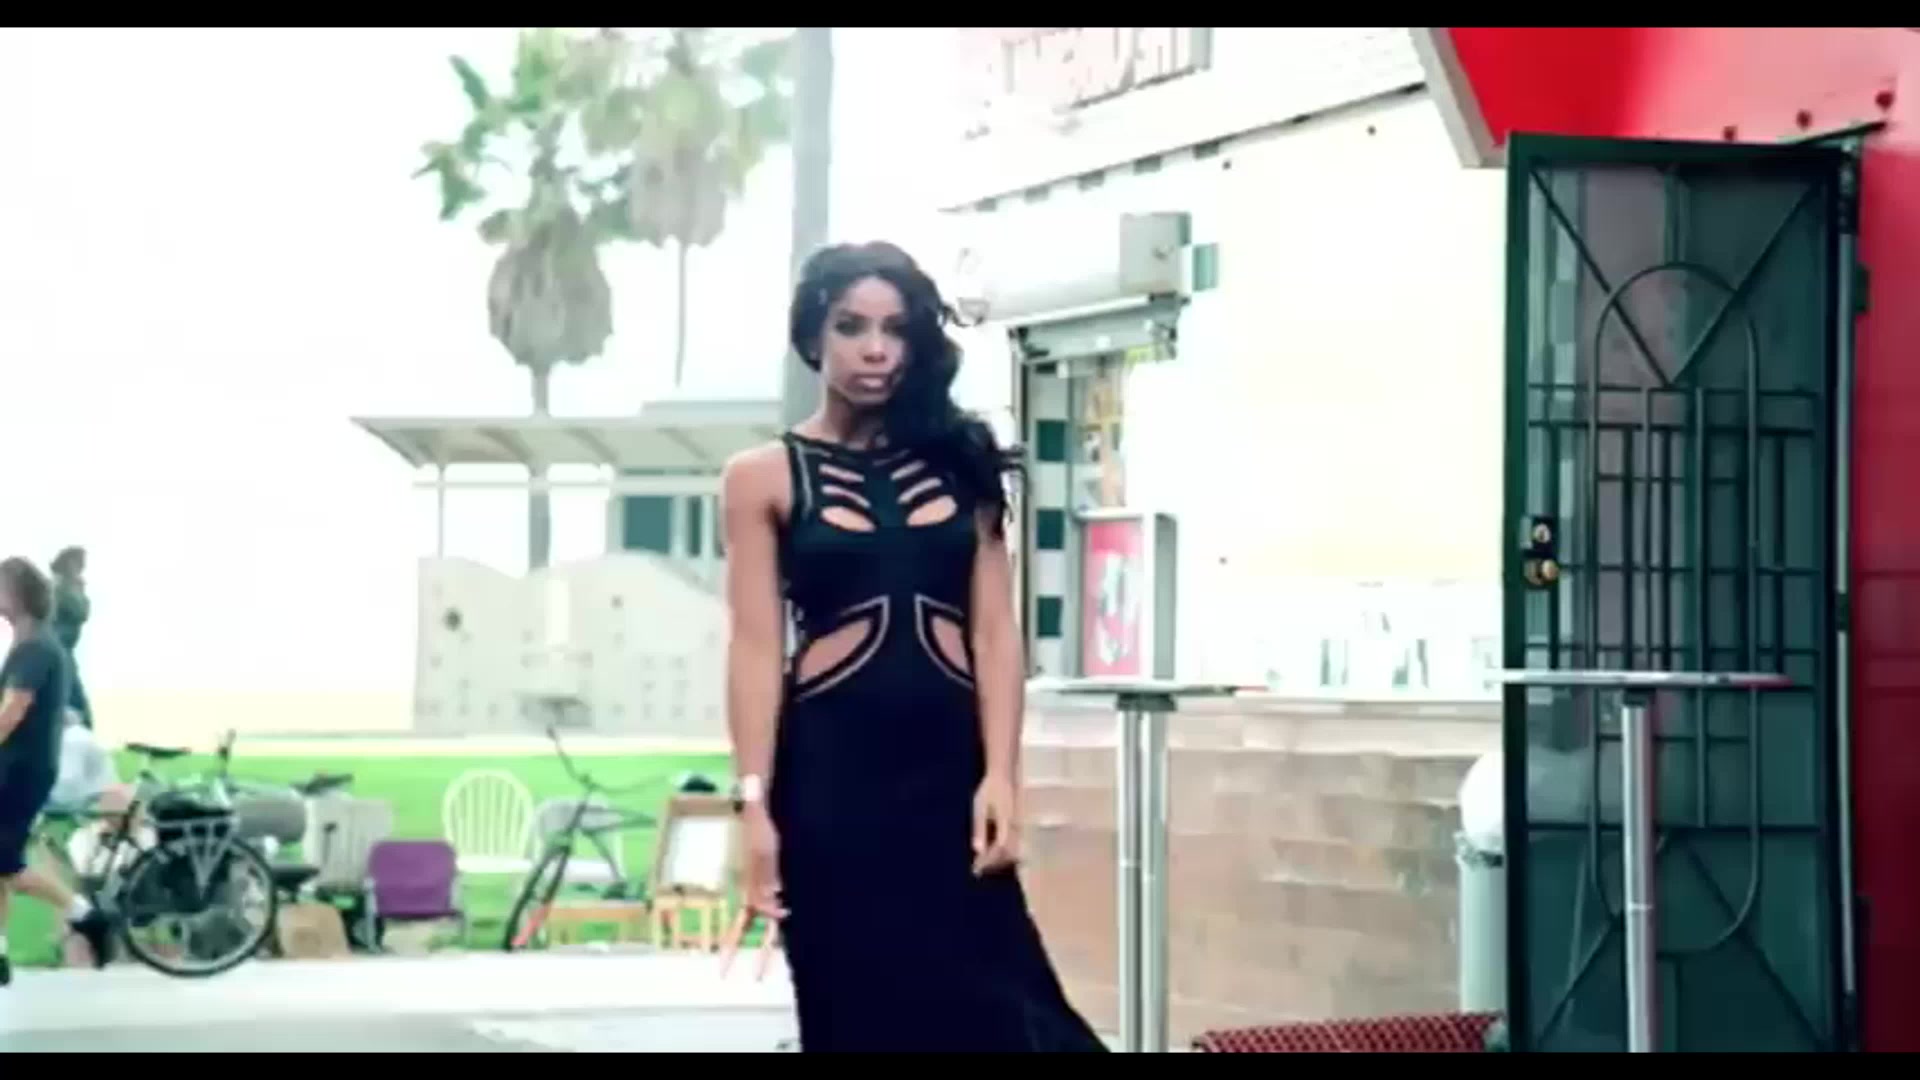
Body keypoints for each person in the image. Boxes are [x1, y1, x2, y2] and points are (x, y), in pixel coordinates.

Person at [720, 241, 1105, 1052]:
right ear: (812, 337)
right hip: (829, 790)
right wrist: (753, 808)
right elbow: (755, 649)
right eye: (851, 326)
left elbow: (995, 633)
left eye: (895, 330)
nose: (875, 349)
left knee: (1018, 1020)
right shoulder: (760, 478)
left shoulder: (961, 465)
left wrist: (1001, 776)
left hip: (947, 784)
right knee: (858, 1017)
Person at [0, 556, 115, 987]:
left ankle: (85, 915)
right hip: (22, 768)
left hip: (19, 772)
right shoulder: (37, 643)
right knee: (2, 863)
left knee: (8, 865)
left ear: (17, 595)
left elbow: (12, 711)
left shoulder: (33, 649)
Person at [49, 546, 91, 729]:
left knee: (72, 705)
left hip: (65, 651)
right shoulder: (60, 587)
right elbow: (80, 612)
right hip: (60, 651)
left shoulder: (65, 586)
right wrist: (80, 590)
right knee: (77, 708)